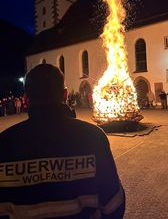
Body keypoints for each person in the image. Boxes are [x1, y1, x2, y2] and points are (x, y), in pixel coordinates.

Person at [0, 64, 125, 218]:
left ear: (26, 98)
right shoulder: (93, 137)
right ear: (65, 94)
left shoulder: (4, 143)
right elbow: (113, 203)